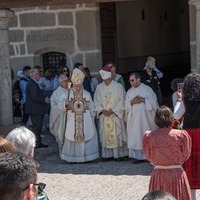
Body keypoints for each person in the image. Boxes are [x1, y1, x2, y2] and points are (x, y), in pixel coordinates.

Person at [143, 106, 191, 200]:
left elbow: (148, 155)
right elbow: (186, 154)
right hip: (176, 174)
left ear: (156, 119)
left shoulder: (149, 136)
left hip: (158, 174)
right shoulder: (181, 135)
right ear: (171, 118)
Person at [59, 68, 99, 163]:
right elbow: (59, 105)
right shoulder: (67, 94)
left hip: (86, 121)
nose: (77, 88)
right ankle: (72, 158)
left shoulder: (87, 94)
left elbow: (92, 108)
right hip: (72, 122)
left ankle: (87, 157)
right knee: (72, 136)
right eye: (76, 86)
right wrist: (65, 103)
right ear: (73, 84)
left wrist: (92, 116)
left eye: (79, 85)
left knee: (87, 135)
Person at [94, 65, 128, 160]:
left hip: (115, 115)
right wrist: (102, 110)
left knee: (117, 133)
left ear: (111, 77)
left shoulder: (118, 86)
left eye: (108, 79)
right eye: (104, 80)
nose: (106, 82)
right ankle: (107, 155)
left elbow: (122, 100)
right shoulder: (99, 87)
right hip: (104, 116)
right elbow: (96, 101)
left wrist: (113, 110)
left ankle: (119, 155)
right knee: (106, 135)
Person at [125, 72, 158, 164]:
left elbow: (154, 103)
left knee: (146, 135)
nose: (130, 82)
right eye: (129, 80)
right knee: (137, 137)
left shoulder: (147, 89)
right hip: (134, 120)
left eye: (132, 80)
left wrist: (143, 100)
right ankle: (138, 157)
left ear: (138, 79)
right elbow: (125, 105)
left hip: (146, 119)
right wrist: (132, 102)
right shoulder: (129, 92)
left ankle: (149, 156)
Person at [180, 73, 200, 200]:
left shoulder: (184, 100)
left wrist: (178, 99)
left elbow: (176, 116)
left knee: (190, 166)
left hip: (189, 135)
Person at [25, 69, 49, 148]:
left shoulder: (33, 83)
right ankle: (35, 143)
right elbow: (35, 97)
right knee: (36, 127)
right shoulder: (32, 83)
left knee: (38, 126)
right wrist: (44, 100)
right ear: (35, 75)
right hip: (35, 109)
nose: (40, 76)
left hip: (37, 109)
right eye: (39, 74)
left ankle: (38, 142)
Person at [49, 74, 69, 156]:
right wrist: (64, 105)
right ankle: (62, 153)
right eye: (65, 81)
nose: (68, 82)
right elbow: (54, 107)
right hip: (61, 117)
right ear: (61, 82)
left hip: (70, 117)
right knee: (61, 135)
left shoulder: (71, 90)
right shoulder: (56, 93)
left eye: (68, 80)